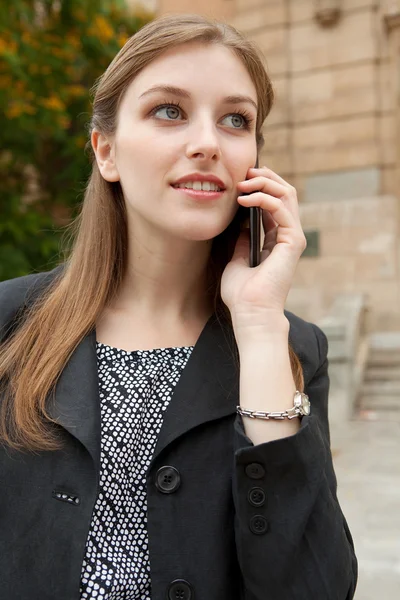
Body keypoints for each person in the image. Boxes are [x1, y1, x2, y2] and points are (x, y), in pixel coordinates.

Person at [0, 13, 357, 600]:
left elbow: (314, 587)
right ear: (106, 151)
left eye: (235, 120)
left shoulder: (287, 348)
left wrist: (261, 328)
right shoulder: (13, 321)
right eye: (169, 110)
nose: (206, 143)